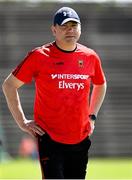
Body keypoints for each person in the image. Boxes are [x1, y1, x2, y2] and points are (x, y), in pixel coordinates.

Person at [2, 7, 107, 179]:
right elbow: (9, 85)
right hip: (49, 137)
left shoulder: (90, 56)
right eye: (64, 26)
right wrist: (22, 121)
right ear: (54, 29)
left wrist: (92, 116)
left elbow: (101, 84)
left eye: (74, 25)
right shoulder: (39, 56)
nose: (70, 30)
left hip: (80, 137)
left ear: (80, 29)